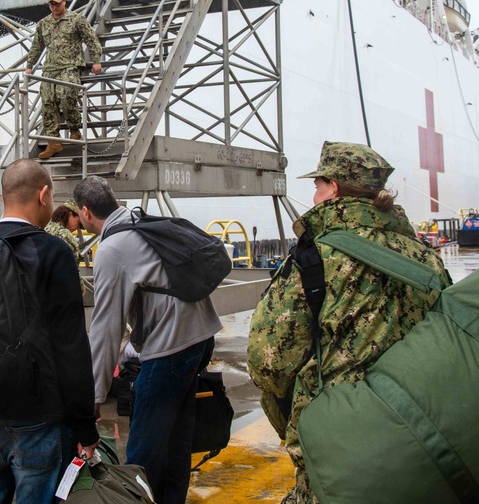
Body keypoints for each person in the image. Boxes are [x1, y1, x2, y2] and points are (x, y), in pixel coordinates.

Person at [247, 141, 448, 504]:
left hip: (342, 448)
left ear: (334, 188)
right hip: (425, 438)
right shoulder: (427, 259)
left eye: (317, 186)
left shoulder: (316, 258)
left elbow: (269, 365)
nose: (314, 196)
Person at [74, 175, 221, 504]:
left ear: (85, 212)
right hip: (200, 337)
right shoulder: (139, 220)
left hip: (171, 349)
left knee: (141, 453)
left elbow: (106, 329)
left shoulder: (111, 249)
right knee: (176, 441)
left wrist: (95, 396)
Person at [0, 159, 99, 504]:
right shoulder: (53, 253)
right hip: (38, 416)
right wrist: (84, 423)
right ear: (43, 195)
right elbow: (70, 345)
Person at [24, 0, 103, 160]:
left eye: (57, 4)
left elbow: (91, 39)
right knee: (48, 102)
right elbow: (36, 46)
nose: (54, 7)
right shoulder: (43, 24)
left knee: (67, 96)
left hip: (70, 66)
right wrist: (29, 66)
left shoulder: (76, 19)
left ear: (64, 2)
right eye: (51, 4)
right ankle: (54, 142)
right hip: (50, 69)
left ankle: (74, 128)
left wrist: (96, 60)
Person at [45, 199, 82, 265]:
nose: (77, 228)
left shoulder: (46, 227)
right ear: (70, 215)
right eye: (78, 223)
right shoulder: (64, 234)